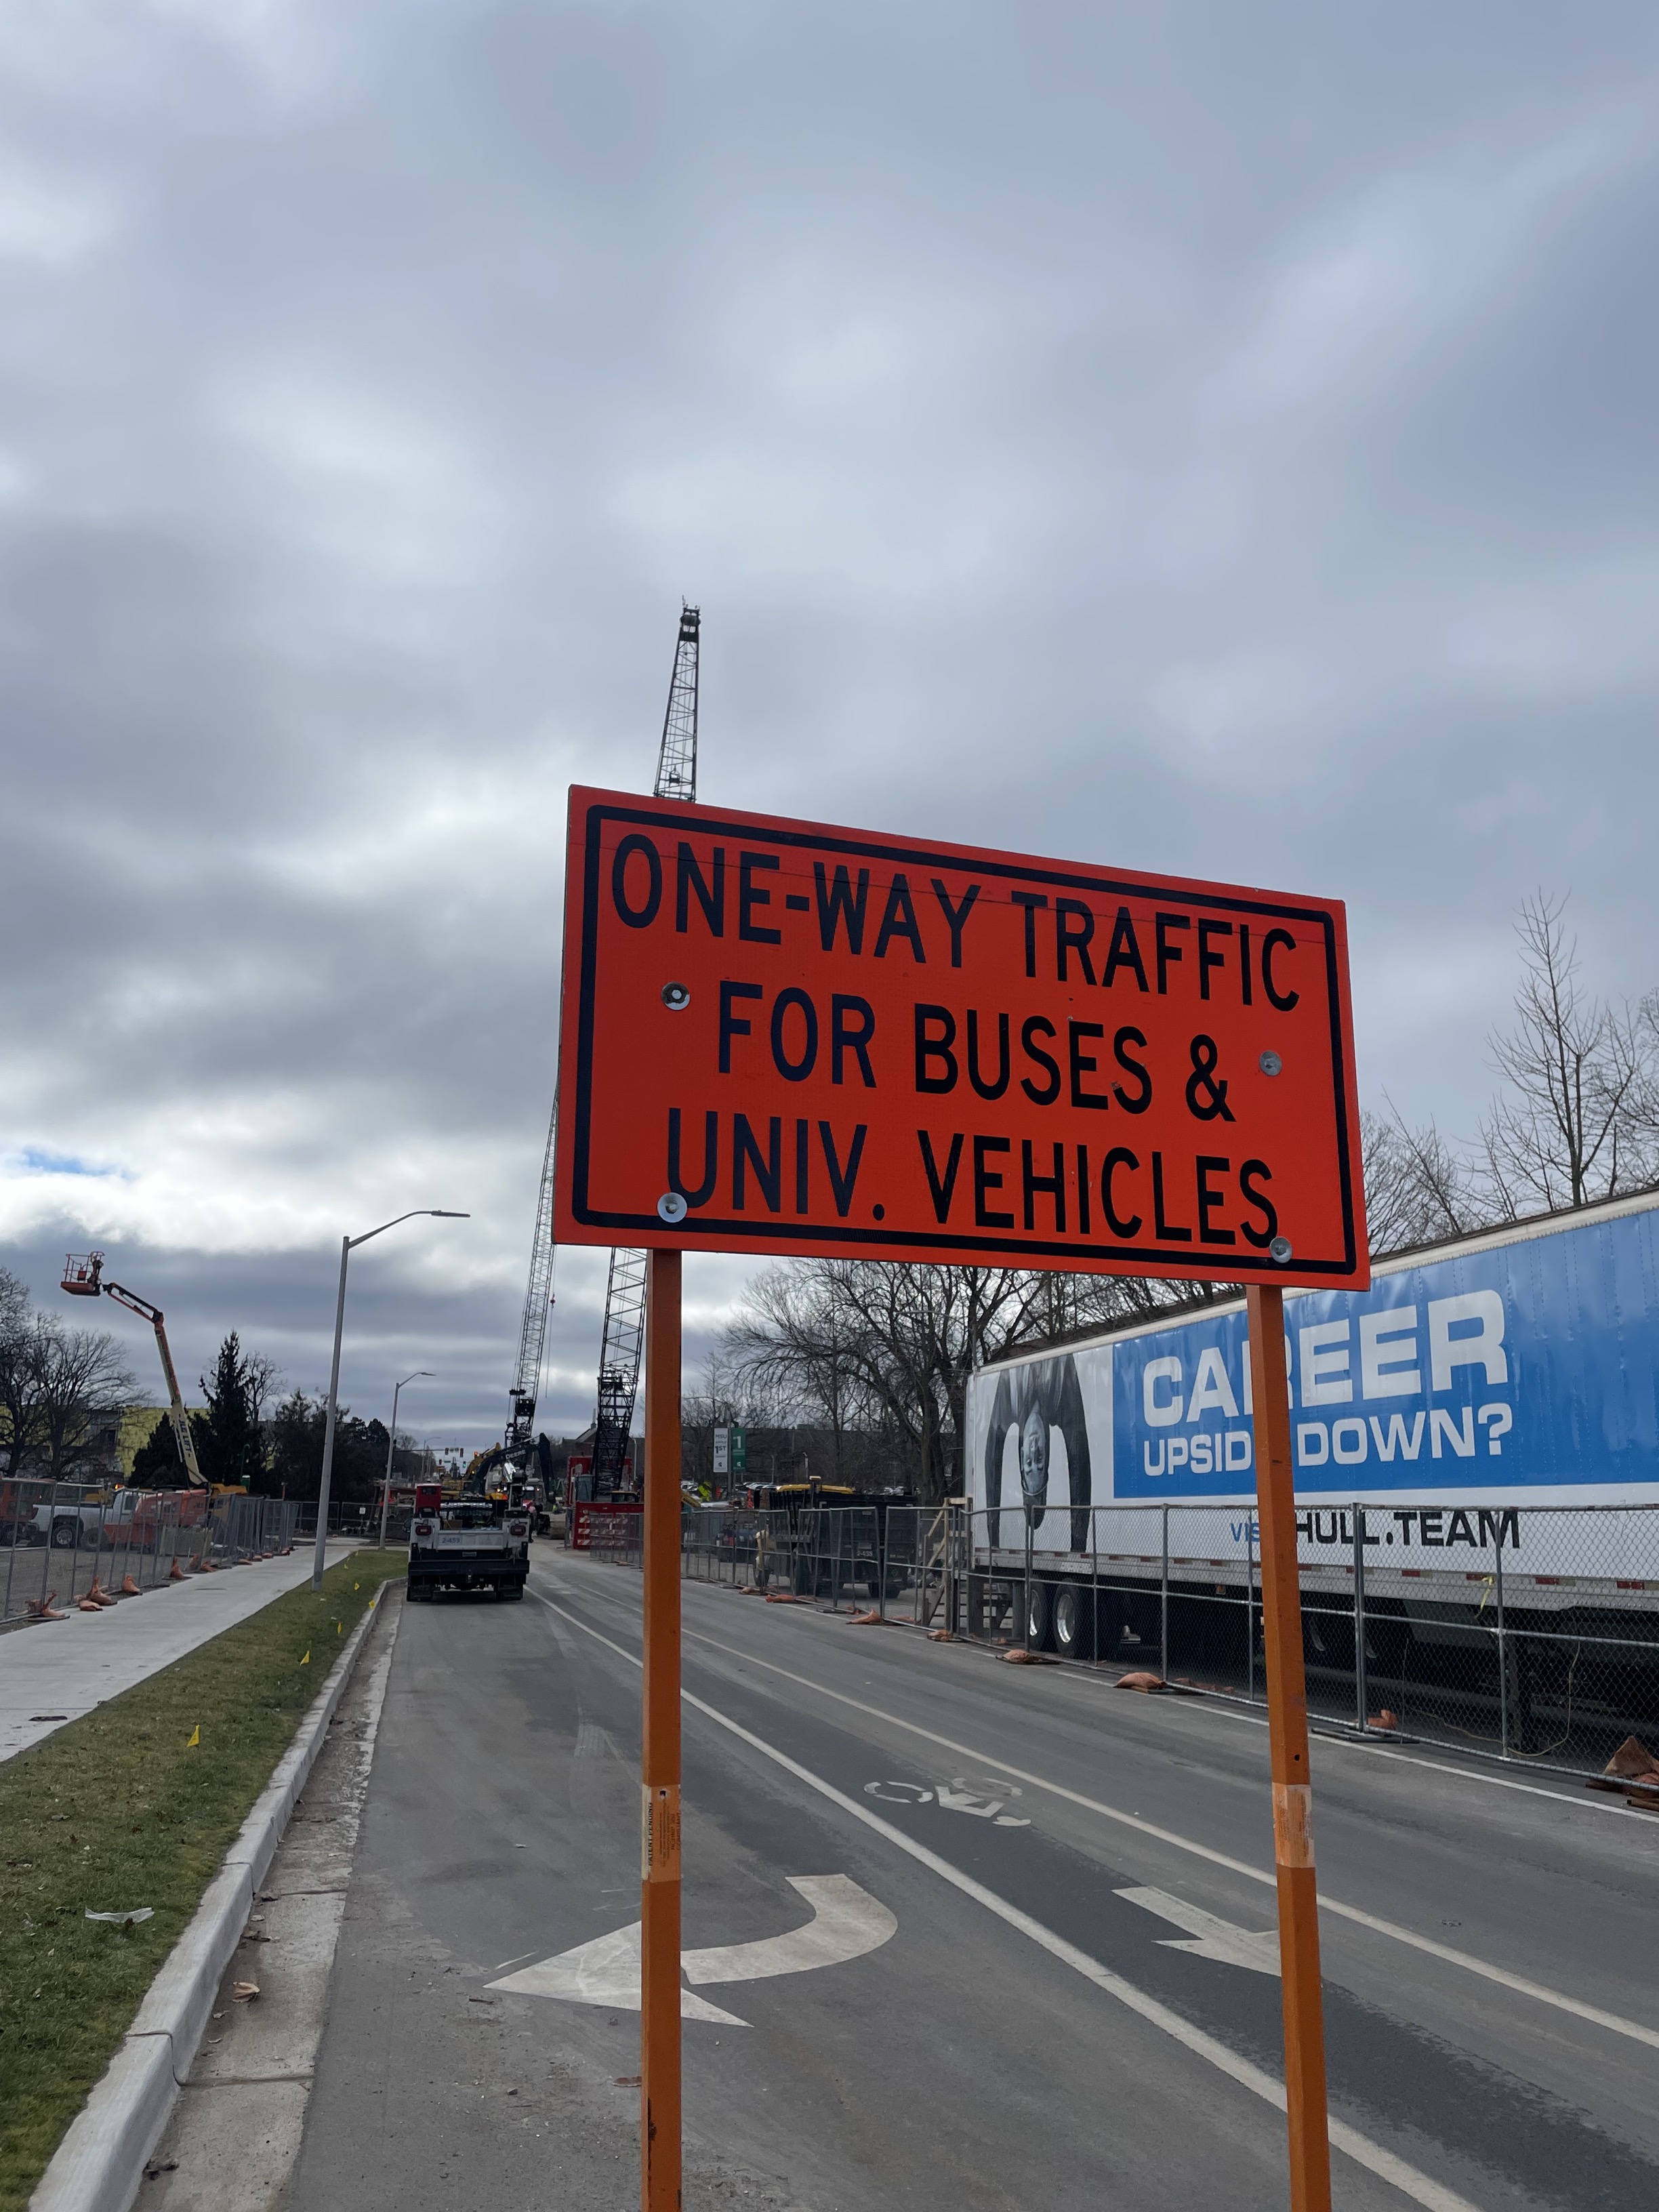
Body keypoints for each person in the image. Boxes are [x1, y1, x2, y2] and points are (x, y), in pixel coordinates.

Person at [981, 1353, 1091, 1551]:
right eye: (1039, 1459)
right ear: (1047, 1458)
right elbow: (1080, 1469)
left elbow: (991, 1462)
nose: (1033, 1449)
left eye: (1028, 1463)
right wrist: (1078, 1549)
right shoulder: (1061, 1396)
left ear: (1020, 1461)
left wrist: (993, 1545)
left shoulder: (1010, 1396)